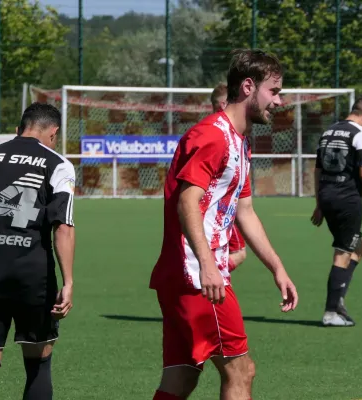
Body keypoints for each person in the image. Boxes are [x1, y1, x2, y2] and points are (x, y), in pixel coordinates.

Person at [150, 49, 299, 400]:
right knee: (241, 370)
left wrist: (277, 268)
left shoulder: (237, 141)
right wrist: (207, 266)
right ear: (248, 86)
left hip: (188, 274)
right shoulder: (213, 136)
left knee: (182, 376)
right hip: (199, 276)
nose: (279, 101)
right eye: (274, 91)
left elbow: (245, 211)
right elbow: (187, 200)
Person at [0, 102, 76, 400]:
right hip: (32, 274)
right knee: (39, 359)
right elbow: (62, 226)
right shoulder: (57, 163)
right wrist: (68, 282)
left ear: (19, 128)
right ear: (53, 133)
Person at [310, 95, 362, 327]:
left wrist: (319, 203)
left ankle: (340, 296)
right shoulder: (361, 133)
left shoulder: (329, 131)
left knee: (358, 246)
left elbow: (317, 170)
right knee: (343, 253)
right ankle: (331, 311)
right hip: (347, 199)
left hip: (327, 195)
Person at [210, 82, 247, 272]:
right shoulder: (217, 137)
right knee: (239, 253)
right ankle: (210, 274)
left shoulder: (238, 139)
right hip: (217, 214)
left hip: (222, 213)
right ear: (223, 105)